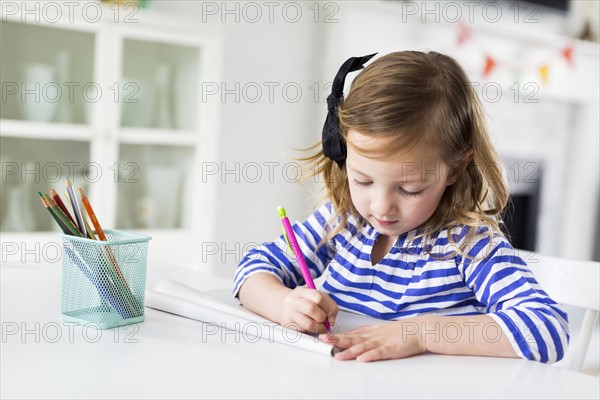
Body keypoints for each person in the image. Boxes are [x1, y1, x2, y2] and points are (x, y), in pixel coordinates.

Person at [233, 51, 569, 363]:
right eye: (363, 181)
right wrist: (284, 304)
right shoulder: (342, 221)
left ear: (453, 169)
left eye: (409, 189)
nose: (381, 207)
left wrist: (420, 333)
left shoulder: (468, 245)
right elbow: (253, 268)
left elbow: (547, 329)